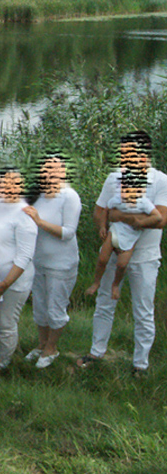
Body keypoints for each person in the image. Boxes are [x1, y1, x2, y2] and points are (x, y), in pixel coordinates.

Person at [78, 132, 167, 375]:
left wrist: (121, 217)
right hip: (114, 248)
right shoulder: (114, 178)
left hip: (145, 257)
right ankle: (96, 353)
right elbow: (99, 212)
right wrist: (103, 226)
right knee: (104, 302)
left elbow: (160, 220)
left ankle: (141, 364)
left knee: (143, 309)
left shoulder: (160, 181)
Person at [22, 152, 82, 369]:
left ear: (63, 172)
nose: (49, 173)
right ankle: (41, 344)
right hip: (38, 262)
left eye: (54, 169)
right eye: (45, 169)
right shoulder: (37, 196)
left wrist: (39, 221)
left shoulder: (69, 196)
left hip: (61, 264)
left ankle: (52, 348)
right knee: (40, 307)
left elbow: (68, 232)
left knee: (55, 308)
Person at [0, 168, 38, 372]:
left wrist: (5, 284)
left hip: (13, 282)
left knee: (5, 324)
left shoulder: (25, 216)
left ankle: (2, 365)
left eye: (15, 184)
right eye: (6, 182)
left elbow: (24, 256)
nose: (9, 187)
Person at [85, 170, 159, 301]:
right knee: (102, 259)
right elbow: (105, 210)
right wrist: (102, 226)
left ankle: (115, 285)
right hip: (114, 232)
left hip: (131, 238)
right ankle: (96, 282)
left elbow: (157, 217)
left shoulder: (143, 203)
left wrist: (141, 222)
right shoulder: (117, 199)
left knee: (122, 265)